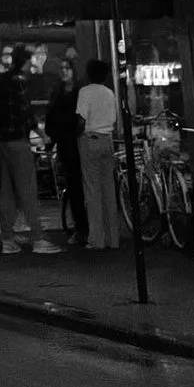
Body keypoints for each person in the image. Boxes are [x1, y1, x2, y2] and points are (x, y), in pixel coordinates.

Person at [0, 47, 48, 252]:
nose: (32, 66)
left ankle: (8, 239)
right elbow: (26, 114)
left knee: (6, 191)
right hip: (17, 141)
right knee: (27, 189)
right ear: (24, 62)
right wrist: (42, 133)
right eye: (30, 62)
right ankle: (37, 238)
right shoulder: (18, 83)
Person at [75, 57, 122, 252]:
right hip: (108, 141)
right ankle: (114, 238)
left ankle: (97, 240)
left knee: (93, 191)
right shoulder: (110, 93)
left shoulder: (85, 92)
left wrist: (75, 135)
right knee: (109, 190)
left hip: (90, 140)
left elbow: (81, 118)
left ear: (88, 74)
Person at [43, 58, 87, 248]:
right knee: (76, 188)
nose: (64, 72)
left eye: (67, 68)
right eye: (62, 68)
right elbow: (51, 119)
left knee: (81, 187)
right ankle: (81, 227)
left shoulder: (77, 93)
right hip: (68, 145)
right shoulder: (59, 94)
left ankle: (84, 227)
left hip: (76, 143)